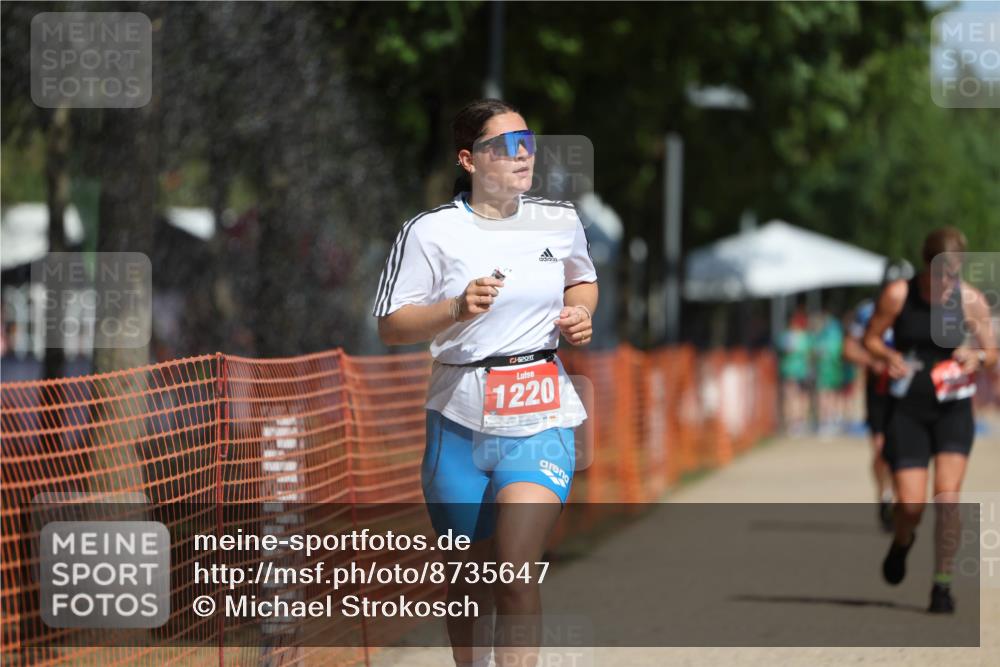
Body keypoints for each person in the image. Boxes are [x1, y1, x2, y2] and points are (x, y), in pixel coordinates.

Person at [373, 98, 598, 667]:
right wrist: (454, 308)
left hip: (539, 410)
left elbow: (582, 281)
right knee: (468, 580)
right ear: (470, 160)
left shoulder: (559, 219)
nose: (524, 156)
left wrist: (580, 313)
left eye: (529, 143)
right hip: (458, 416)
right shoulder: (429, 232)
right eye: (507, 146)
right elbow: (392, 325)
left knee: (516, 570)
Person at [864, 227, 997, 613]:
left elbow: (992, 352)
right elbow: (871, 338)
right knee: (910, 505)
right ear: (926, 267)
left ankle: (942, 585)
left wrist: (978, 358)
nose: (949, 283)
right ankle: (903, 541)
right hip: (908, 410)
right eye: (942, 275)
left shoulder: (969, 300)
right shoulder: (898, 295)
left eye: (955, 273)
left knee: (948, 497)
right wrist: (888, 356)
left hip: (953, 409)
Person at [842, 260, 913, 532]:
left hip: (908, 388)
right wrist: (872, 362)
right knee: (882, 448)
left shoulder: (919, 311)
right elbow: (849, 349)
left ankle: (900, 498)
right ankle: (884, 496)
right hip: (879, 388)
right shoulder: (866, 311)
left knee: (905, 449)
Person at [779, 306, 813, 434]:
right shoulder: (803, 337)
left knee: (794, 398)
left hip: (795, 372)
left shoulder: (790, 336)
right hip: (796, 372)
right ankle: (797, 422)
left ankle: (796, 422)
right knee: (797, 398)